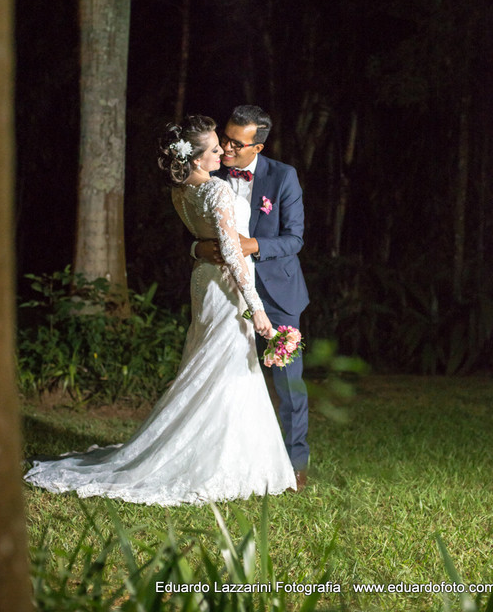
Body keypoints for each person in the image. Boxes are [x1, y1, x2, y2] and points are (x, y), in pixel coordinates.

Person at [24, 115, 296, 505]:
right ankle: (214, 459)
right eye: (215, 148)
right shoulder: (216, 191)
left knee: (215, 364)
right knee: (225, 366)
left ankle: (235, 451)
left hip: (204, 280)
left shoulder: (180, 190)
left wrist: (200, 251)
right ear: (198, 159)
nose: (223, 151)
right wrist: (257, 309)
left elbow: (204, 241)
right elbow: (232, 254)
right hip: (225, 286)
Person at [194, 105, 310, 489]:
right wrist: (197, 251)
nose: (225, 148)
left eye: (234, 143)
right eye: (224, 139)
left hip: (277, 293)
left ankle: (295, 464)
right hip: (228, 293)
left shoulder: (283, 177)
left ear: (256, 148)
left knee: (287, 384)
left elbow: (295, 238)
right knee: (228, 380)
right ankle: (226, 462)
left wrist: (252, 245)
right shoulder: (211, 173)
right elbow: (194, 228)